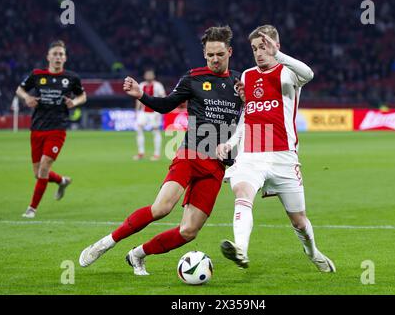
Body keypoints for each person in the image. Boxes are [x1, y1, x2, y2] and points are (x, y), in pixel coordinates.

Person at [79, 26, 243, 276]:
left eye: (219, 54)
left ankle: (137, 254)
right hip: (190, 154)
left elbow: (252, 116)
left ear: (229, 52)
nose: (214, 59)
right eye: (210, 55)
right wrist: (142, 96)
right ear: (204, 53)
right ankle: (106, 243)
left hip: (217, 166)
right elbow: (167, 105)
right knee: (162, 207)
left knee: (189, 232)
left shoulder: (241, 82)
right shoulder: (193, 78)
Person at [216, 25, 336, 272]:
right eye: (255, 48)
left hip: (283, 156)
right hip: (252, 153)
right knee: (242, 194)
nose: (259, 53)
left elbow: (310, 73)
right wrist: (231, 142)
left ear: (276, 46)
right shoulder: (247, 76)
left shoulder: (288, 73)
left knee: (299, 221)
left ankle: (313, 252)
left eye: (264, 47)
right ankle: (241, 249)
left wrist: (278, 55)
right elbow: (248, 115)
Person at [16, 40, 87, 218]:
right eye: (55, 54)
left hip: (57, 128)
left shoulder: (71, 78)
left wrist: (74, 102)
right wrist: (26, 98)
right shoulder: (37, 75)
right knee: (38, 172)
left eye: (61, 54)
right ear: (48, 57)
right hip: (37, 127)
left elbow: (82, 96)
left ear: (65, 58)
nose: (58, 57)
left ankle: (31, 209)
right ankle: (62, 181)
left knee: (44, 166)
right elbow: (19, 89)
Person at [133, 69, 166, 161]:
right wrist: (136, 111)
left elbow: (163, 97)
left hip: (155, 111)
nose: (148, 76)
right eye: (147, 74)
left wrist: (161, 110)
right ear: (144, 76)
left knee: (155, 131)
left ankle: (157, 154)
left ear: (153, 76)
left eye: (150, 74)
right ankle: (141, 152)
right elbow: (138, 98)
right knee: (139, 128)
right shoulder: (142, 85)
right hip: (143, 111)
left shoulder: (158, 85)